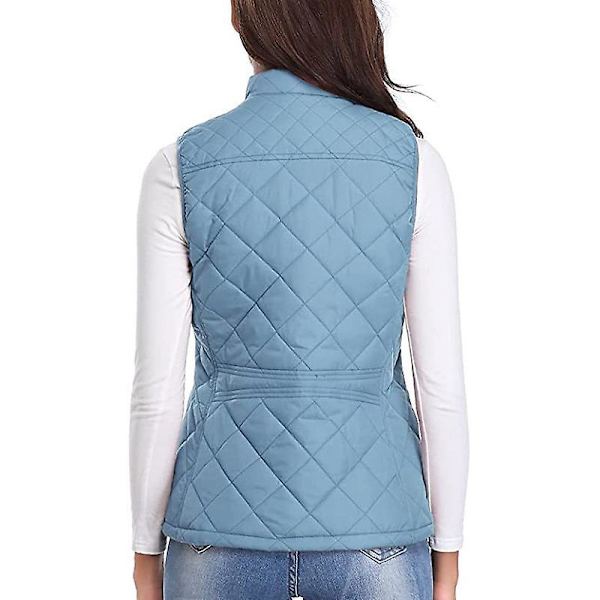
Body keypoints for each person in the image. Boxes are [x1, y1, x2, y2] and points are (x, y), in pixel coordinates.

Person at [129, 1, 469, 599]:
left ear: (241, 21)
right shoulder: (413, 161)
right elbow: (439, 386)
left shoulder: (181, 164)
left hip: (216, 528)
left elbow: (156, 390)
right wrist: (448, 556)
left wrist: (143, 553)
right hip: (378, 529)